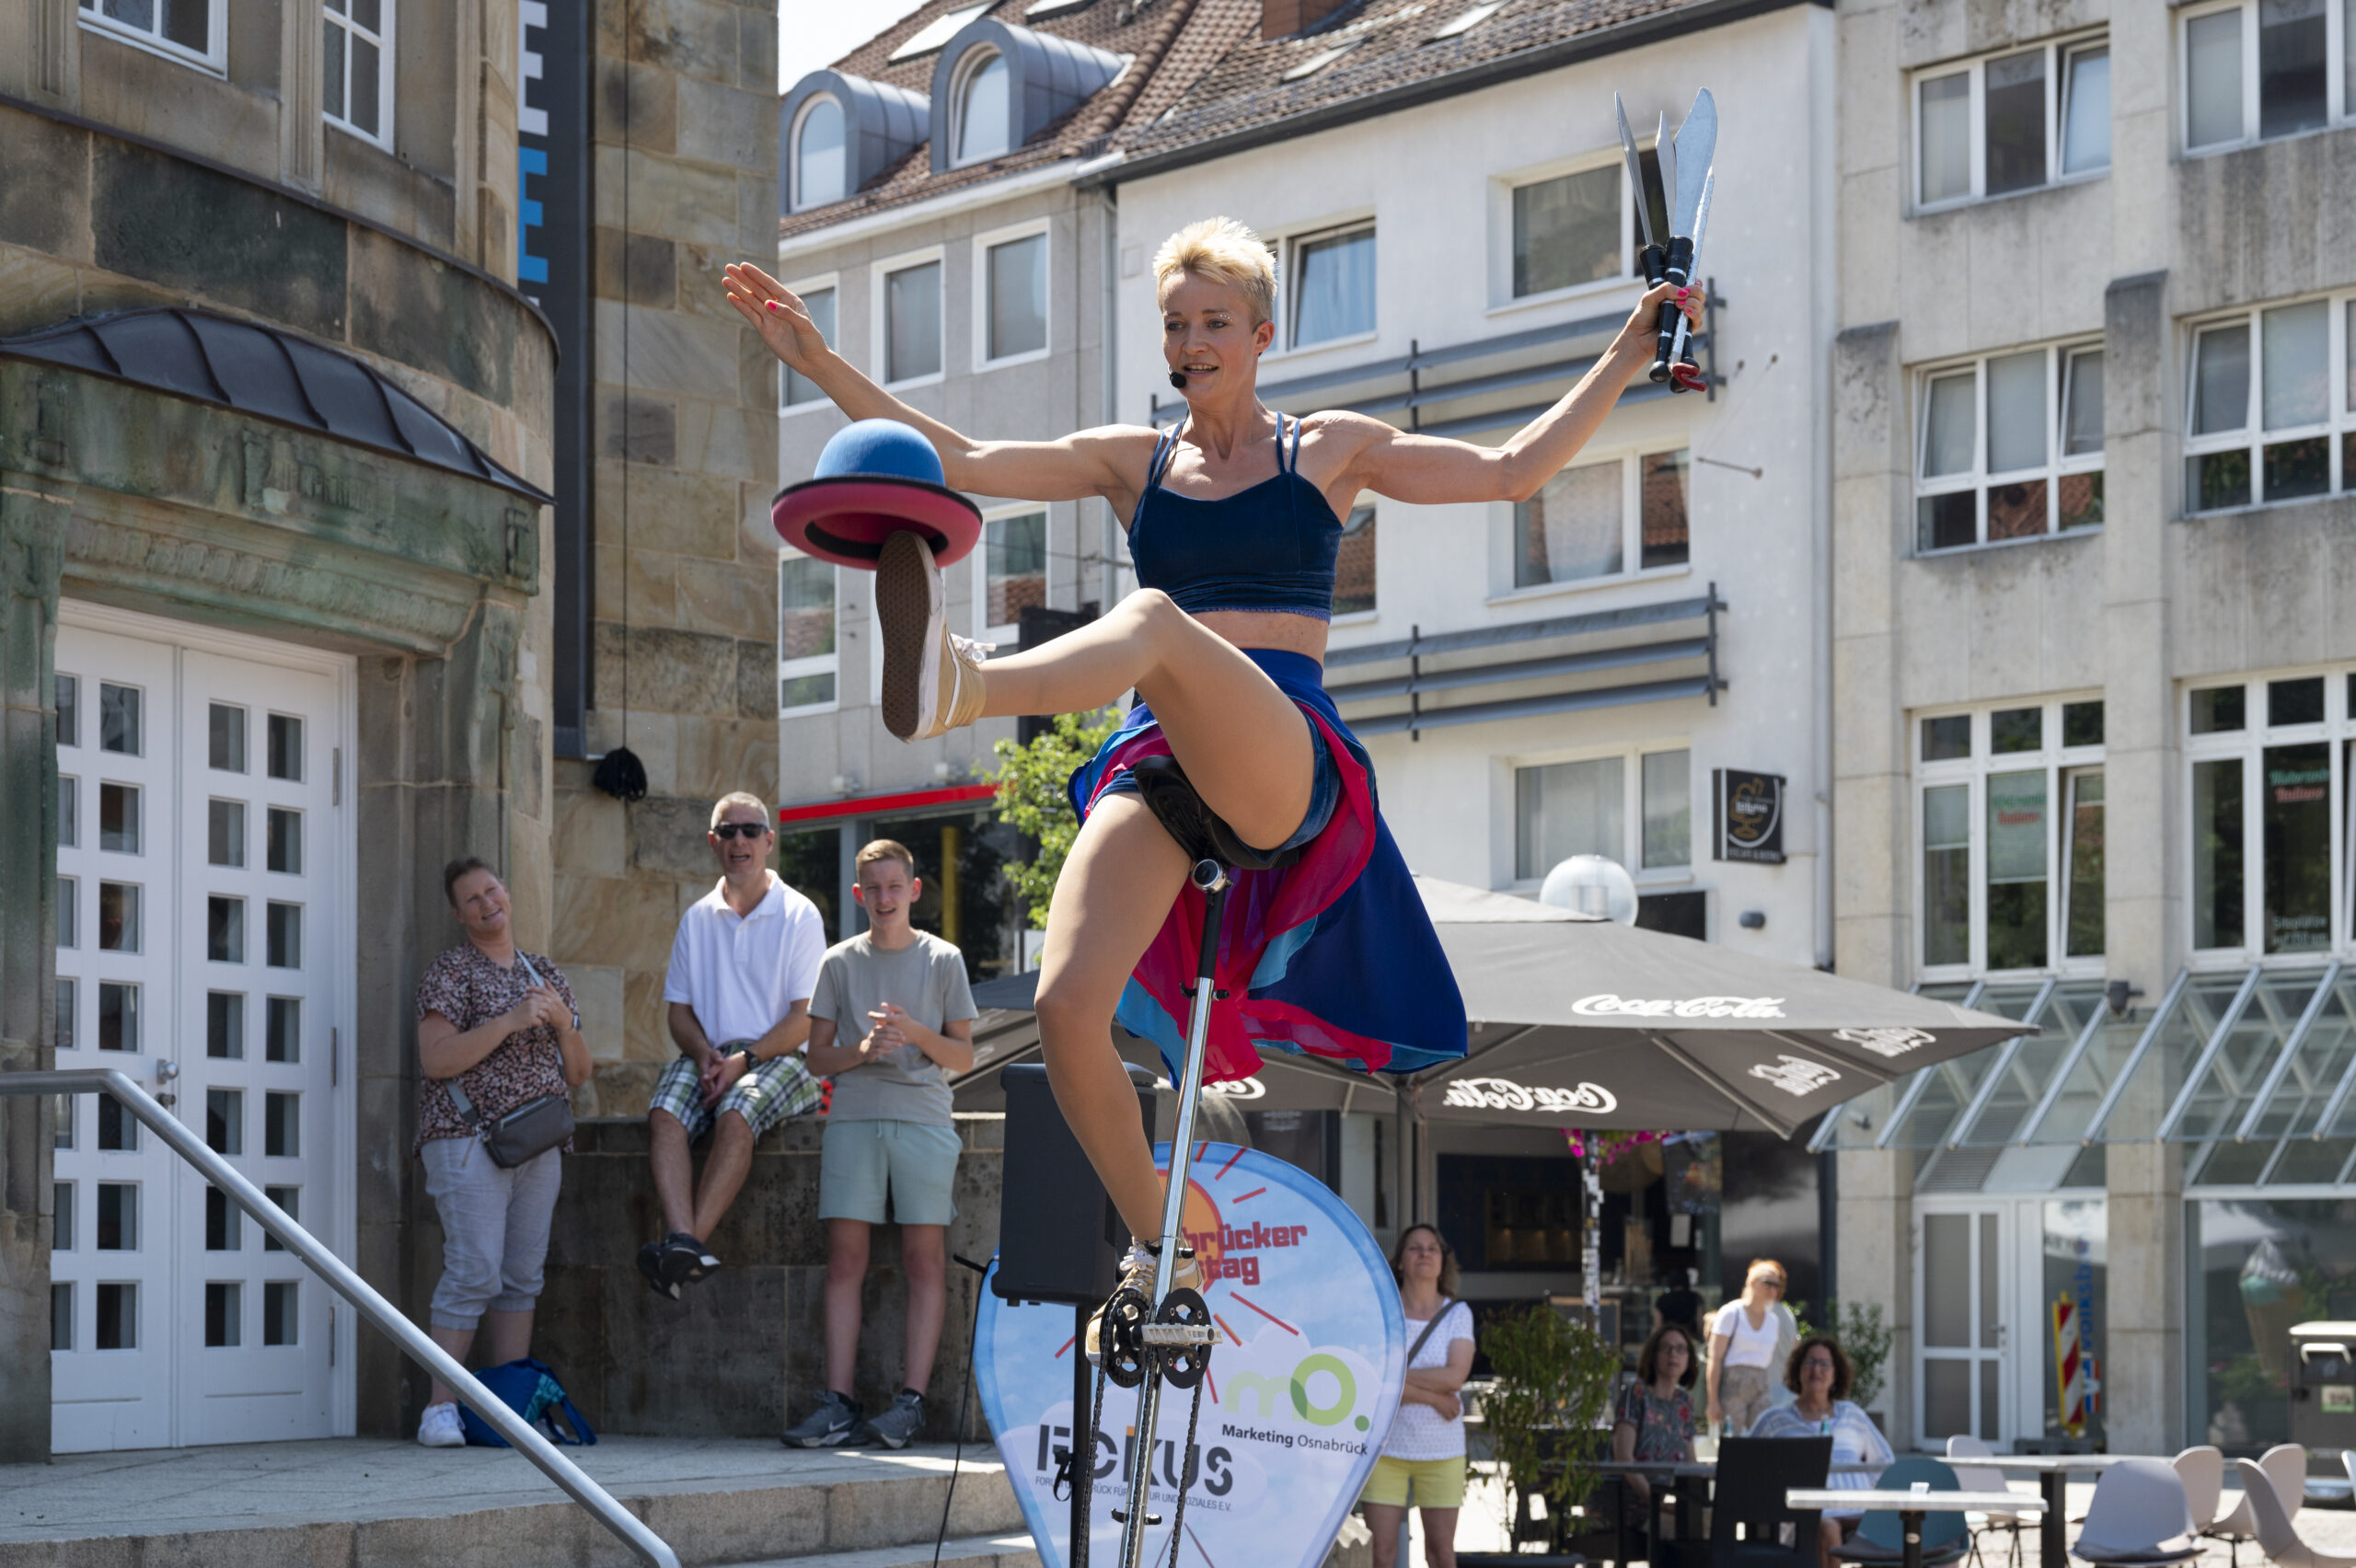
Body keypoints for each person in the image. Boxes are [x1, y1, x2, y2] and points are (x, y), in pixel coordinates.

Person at [725, 223, 1703, 1330]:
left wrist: (1628, 348)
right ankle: (1164, 1238)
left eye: (1212, 324)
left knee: (1150, 618)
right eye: (1174, 325)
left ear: (1261, 335)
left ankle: (962, 689)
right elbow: (960, 459)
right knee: (1063, 1006)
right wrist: (817, 363)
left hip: (1281, 755)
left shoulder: (1325, 450)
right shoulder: (1133, 460)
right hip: (1161, 765)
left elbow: (1511, 472)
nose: (1190, 343)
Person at [781, 840, 977, 1449]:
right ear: (859, 893)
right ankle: (839, 1404)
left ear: (914, 890)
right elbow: (815, 1059)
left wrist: (914, 1032)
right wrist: (864, 1051)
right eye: (874, 888)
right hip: (855, 1119)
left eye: (895, 886)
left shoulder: (944, 959)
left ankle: (911, 1404)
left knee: (924, 1262)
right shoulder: (838, 963)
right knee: (845, 1263)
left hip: (923, 1121)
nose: (885, 898)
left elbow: (963, 1055)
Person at [411, 858, 592, 1447]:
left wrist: (566, 1024)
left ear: (507, 894)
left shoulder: (544, 971)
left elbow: (580, 1073)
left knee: (520, 1278)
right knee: (474, 1271)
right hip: (468, 1139)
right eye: (472, 898)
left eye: (492, 890)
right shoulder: (451, 972)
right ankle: (439, 1408)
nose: (487, 903)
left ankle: (511, 1406)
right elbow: (435, 1060)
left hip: (540, 1143)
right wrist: (513, 1020)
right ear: (459, 914)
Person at [640, 792, 826, 1297]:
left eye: (750, 830)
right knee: (663, 1115)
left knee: (736, 1116)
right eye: (728, 832)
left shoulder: (800, 914)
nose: (739, 841)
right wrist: (704, 1054)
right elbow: (678, 1012)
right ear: (712, 843)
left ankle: (683, 1247)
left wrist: (746, 1059)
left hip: (782, 1055)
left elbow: (805, 1018)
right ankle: (684, 1243)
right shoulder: (697, 917)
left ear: (769, 840)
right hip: (712, 1051)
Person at [1361, 1225, 1474, 1568]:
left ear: (1443, 1262)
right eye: (1415, 1248)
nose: (1424, 1254)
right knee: (1381, 1555)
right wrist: (1435, 1397)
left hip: (1442, 1451)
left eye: (1432, 1248)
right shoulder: (1382, 1311)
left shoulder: (1458, 1313)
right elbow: (1369, 1382)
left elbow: (1456, 1375)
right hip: (1384, 1449)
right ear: (1399, 1262)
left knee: (1441, 1554)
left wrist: (1393, 1378)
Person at [1747, 1335, 1894, 1568]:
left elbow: (1885, 1463)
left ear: (1836, 1374)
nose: (1817, 1369)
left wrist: (1872, 1496)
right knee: (1827, 1526)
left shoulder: (1853, 1415)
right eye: (1810, 1362)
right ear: (1797, 1370)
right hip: (1807, 1515)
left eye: (1825, 1364)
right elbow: (1747, 1466)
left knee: (1911, 1525)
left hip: (1859, 1511)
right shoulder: (1774, 1420)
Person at [1611, 1320, 1700, 1539]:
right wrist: (1655, 1502)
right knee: (1694, 1530)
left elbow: (1691, 1465)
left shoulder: (1685, 1402)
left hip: (1666, 1503)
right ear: (1653, 1354)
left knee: (1713, 1523)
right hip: (1629, 1506)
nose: (1673, 1355)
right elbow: (1623, 1458)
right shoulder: (1637, 1393)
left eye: (1681, 1349)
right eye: (1666, 1348)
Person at [1706, 1258, 1796, 1435]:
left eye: (1776, 1285)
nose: (1772, 1290)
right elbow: (1714, 1359)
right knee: (1732, 1439)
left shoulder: (1774, 1320)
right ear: (1753, 1283)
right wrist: (1712, 1400)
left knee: (1764, 1438)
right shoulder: (1731, 1313)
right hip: (1732, 1385)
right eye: (1767, 1283)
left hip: (1763, 1385)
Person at [1654, 1268, 1703, 1338]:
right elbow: (1699, 1322)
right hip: (1690, 1337)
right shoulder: (1695, 1298)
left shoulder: (1663, 1299)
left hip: (1668, 1337)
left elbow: (1658, 1325)